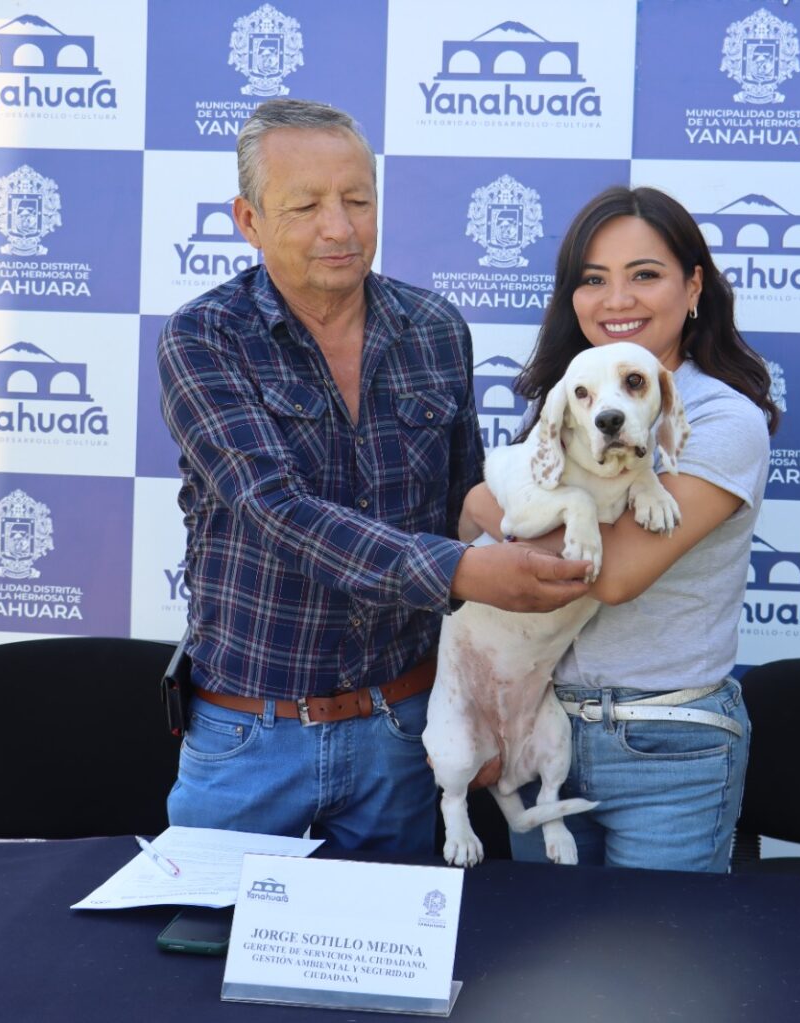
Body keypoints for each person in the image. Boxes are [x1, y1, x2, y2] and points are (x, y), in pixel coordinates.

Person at [157, 99, 591, 856]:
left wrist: (562, 515)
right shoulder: (203, 337)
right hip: (248, 738)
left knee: (391, 967)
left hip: (404, 730)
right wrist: (470, 571)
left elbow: (467, 500)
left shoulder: (435, 328)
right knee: (206, 966)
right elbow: (277, 509)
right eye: (307, 205)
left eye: (358, 199)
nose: (340, 226)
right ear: (249, 219)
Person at [460, 186, 779, 872]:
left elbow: (610, 573)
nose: (616, 300)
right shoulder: (567, 396)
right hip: (538, 727)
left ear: (695, 287)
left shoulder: (724, 420)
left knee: (660, 974)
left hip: (667, 744)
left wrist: (498, 505)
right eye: (593, 280)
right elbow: (468, 525)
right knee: (540, 971)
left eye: (645, 274)